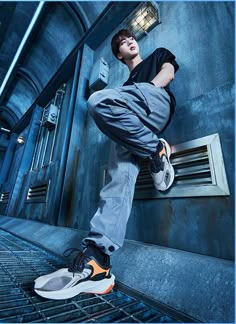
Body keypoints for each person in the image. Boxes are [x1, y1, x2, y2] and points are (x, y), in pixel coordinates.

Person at [34, 29, 179, 300]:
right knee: (117, 178)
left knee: (98, 100)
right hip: (135, 122)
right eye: (123, 43)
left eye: (131, 38)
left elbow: (168, 73)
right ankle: (98, 261)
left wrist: (141, 92)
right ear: (118, 55)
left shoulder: (157, 56)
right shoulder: (125, 84)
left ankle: (153, 148)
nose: (130, 41)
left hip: (156, 102)